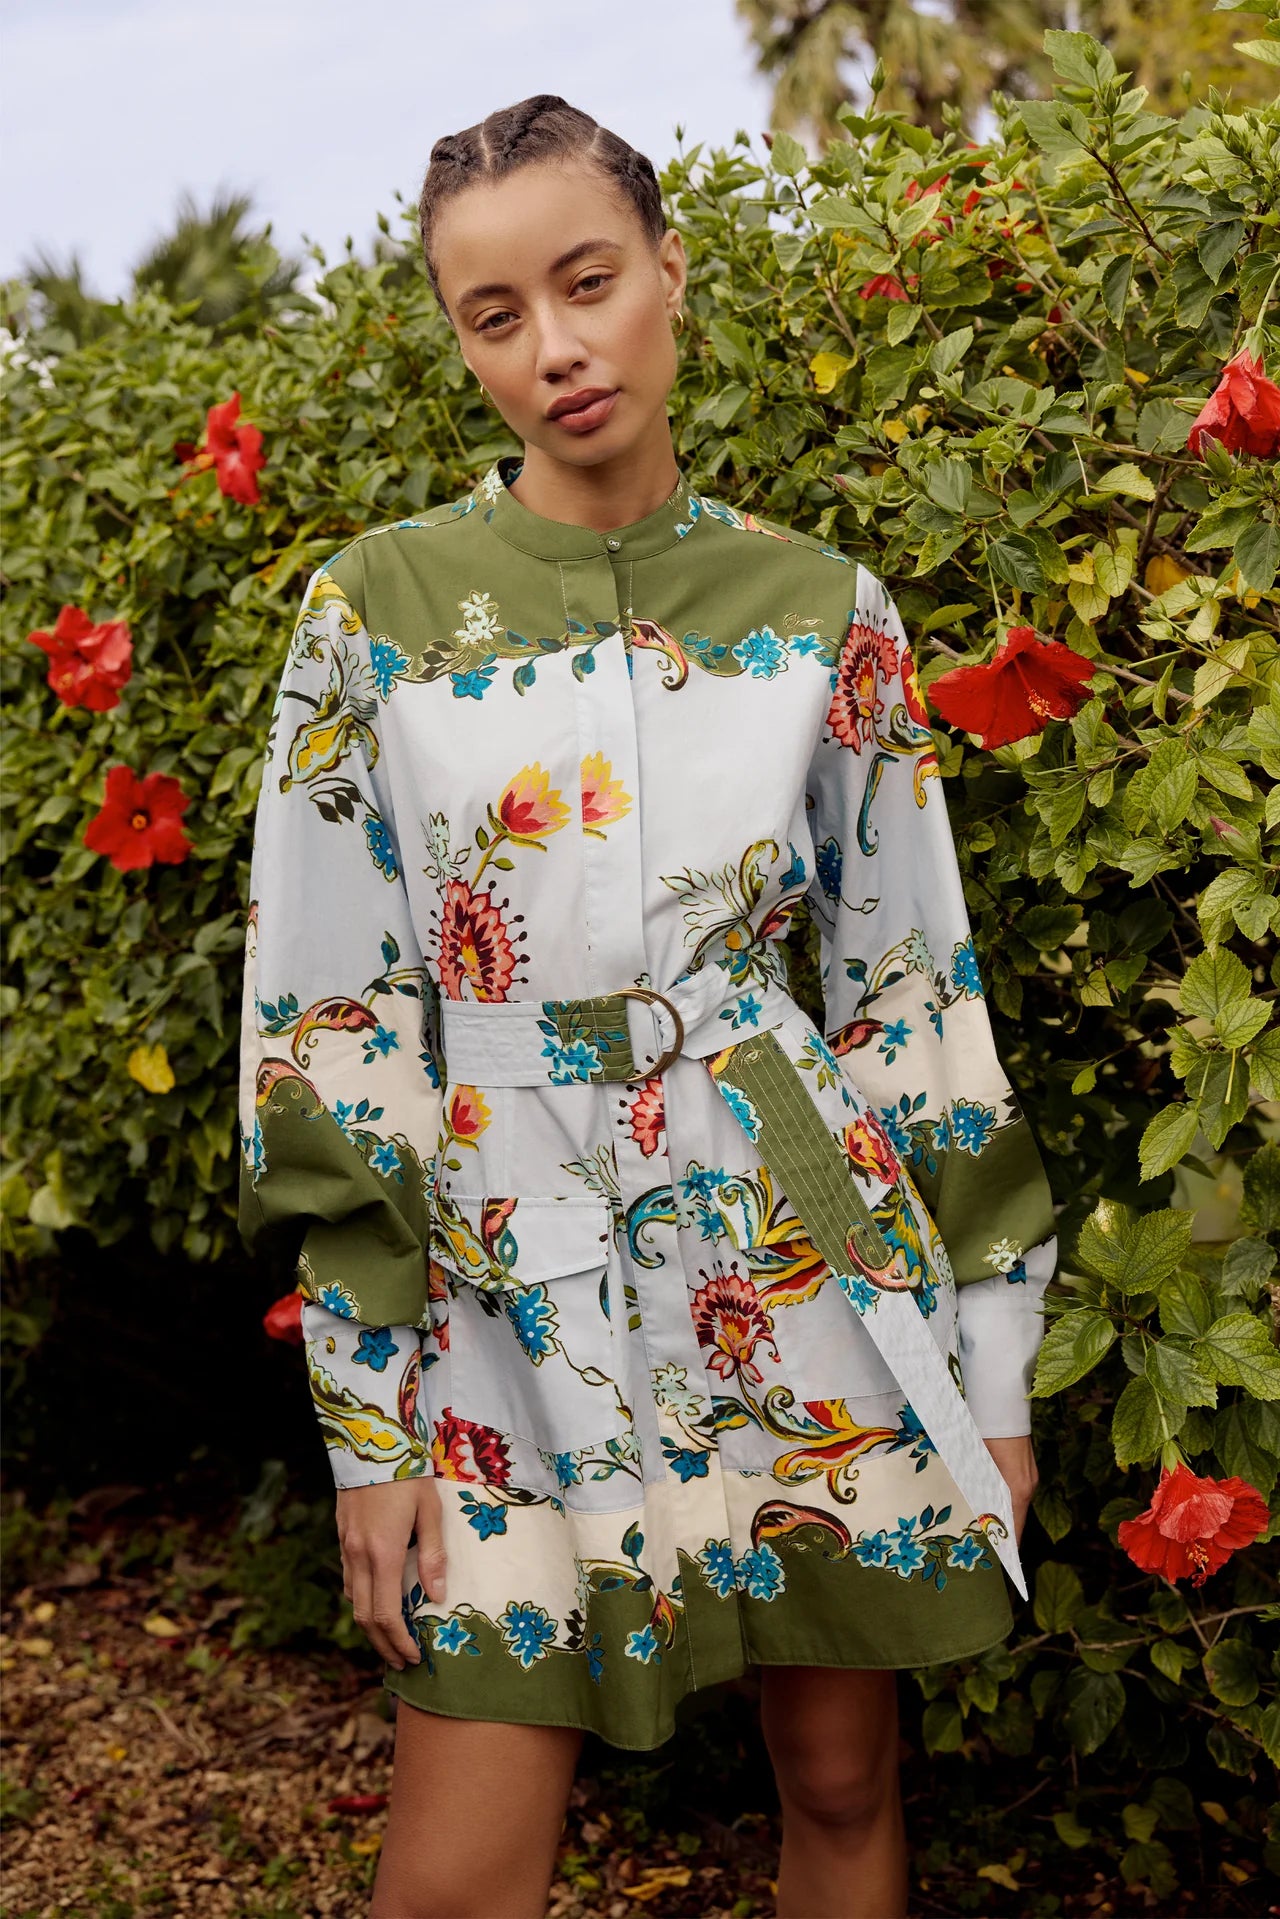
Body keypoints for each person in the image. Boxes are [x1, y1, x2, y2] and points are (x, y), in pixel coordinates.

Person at [238, 93, 1058, 1919]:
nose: (556, 347)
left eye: (587, 282)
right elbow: (327, 1027)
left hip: (798, 1217)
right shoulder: (373, 617)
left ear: (669, 275)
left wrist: (990, 1359)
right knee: (461, 1855)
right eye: (496, 314)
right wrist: (368, 1426)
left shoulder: (820, 609)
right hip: (502, 1268)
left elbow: (913, 986)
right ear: (459, 338)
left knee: (841, 1783)